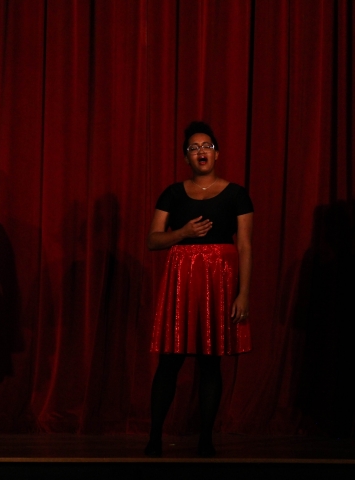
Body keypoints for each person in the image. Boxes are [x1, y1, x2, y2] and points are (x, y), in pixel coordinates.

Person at [145, 121, 253, 458]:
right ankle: (154, 437)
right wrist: (183, 233)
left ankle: (206, 439)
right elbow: (152, 240)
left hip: (219, 284)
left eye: (206, 146)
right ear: (185, 157)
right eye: (193, 148)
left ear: (217, 153)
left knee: (210, 364)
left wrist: (244, 293)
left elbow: (246, 246)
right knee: (169, 363)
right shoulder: (173, 193)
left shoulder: (236, 194)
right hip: (182, 282)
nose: (200, 151)